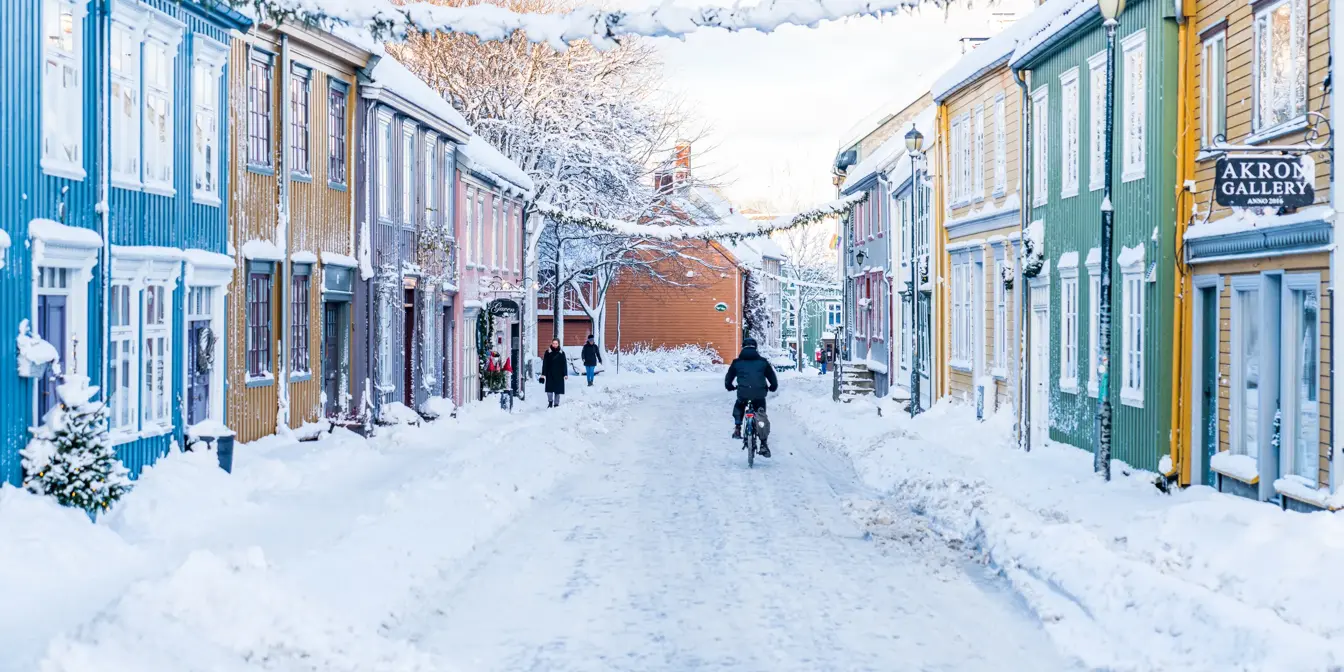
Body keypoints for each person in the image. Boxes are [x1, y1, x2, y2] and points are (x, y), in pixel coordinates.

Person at [724, 337, 779, 457]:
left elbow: (729, 378)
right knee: (761, 415)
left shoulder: (737, 362)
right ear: (756, 348)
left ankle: (738, 427)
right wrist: (772, 387)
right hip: (759, 394)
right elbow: (772, 378)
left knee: (739, 403)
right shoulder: (763, 362)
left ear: (743, 348)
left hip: (743, 393)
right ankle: (763, 443)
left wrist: (729, 386)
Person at [540, 339, 568, 408]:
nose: (555, 345)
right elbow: (545, 363)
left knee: (557, 390)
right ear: (551, 343)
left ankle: (556, 404)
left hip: (559, 374)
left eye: (556, 343)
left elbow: (564, 364)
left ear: (558, 344)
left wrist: (565, 374)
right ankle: (550, 402)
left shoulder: (562, 353)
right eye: (553, 343)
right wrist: (543, 374)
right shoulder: (548, 352)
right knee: (549, 390)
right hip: (550, 374)